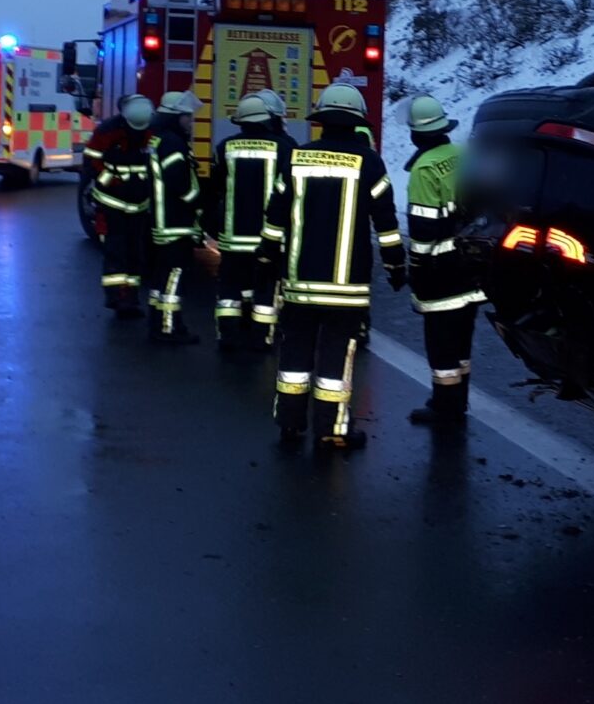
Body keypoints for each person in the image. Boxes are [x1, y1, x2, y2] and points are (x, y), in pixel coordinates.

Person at [256, 82, 405, 450]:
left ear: (321, 119)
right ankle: (332, 429)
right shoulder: (370, 163)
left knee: (295, 353)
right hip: (346, 289)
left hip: (299, 283)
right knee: (336, 360)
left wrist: (267, 256)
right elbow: (386, 224)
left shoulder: (297, 158)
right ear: (356, 122)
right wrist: (395, 266)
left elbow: (275, 216)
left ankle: (290, 423)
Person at [400, 94, 483, 430]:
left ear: (416, 134)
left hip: (441, 273)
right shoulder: (464, 155)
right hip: (472, 267)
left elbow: (422, 232)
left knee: (441, 344)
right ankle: (457, 401)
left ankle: (445, 408)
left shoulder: (424, 169)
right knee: (462, 341)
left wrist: (416, 269)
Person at [207, 91, 293, 350]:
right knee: (265, 288)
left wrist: (212, 226)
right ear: (267, 119)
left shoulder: (224, 147)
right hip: (268, 237)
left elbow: (214, 191)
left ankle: (227, 335)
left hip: (233, 237)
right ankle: (262, 337)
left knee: (230, 287)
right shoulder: (284, 148)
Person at [145, 90, 204, 342]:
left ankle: (158, 323)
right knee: (174, 275)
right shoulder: (173, 143)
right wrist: (199, 202)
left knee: (162, 276)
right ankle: (168, 329)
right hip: (175, 222)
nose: (190, 121)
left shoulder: (159, 140)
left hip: (162, 221)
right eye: (187, 117)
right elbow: (180, 184)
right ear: (175, 117)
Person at [91, 96, 158, 318]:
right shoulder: (108, 131)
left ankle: (131, 298)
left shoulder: (150, 129)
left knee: (135, 252)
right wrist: (111, 181)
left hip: (139, 204)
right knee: (116, 250)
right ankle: (116, 298)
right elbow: (92, 159)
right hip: (112, 202)